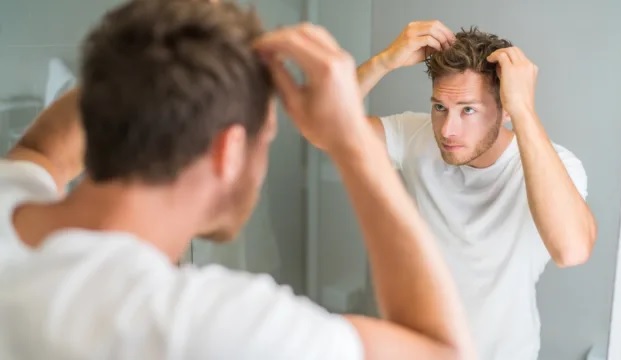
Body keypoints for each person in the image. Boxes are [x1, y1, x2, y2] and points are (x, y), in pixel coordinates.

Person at [0, 1, 475, 359]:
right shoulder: (202, 327)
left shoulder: (9, 198)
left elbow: (41, 149)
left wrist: (162, 49)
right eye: (264, 138)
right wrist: (350, 138)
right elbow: (442, 350)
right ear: (228, 151)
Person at [356, 20, 597, 360]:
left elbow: (571, 250)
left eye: (468, 109)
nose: (447, 130)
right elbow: (321, 130)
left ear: (506, 111)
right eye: (440, 107)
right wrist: (383, 61)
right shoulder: (415, 135)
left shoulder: (555, 164)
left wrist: (524, 110)